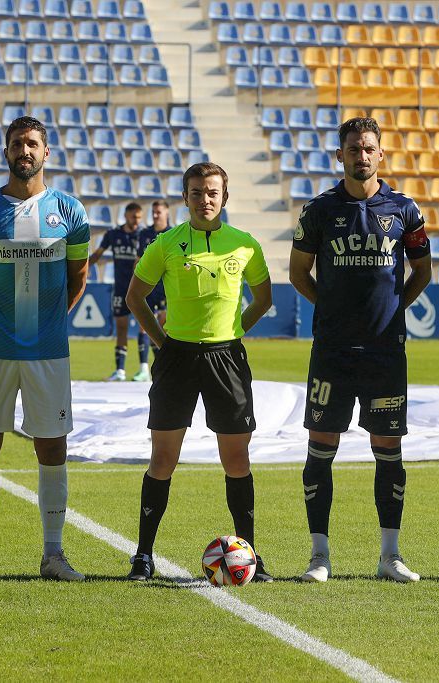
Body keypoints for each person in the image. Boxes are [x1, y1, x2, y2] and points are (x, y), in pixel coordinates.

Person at [289, 117, 432, 584]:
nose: (361, 156)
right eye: (353, 149)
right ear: (340, 156)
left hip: (384, 353)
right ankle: (319, 556)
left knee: (388, 448)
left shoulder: (406, 210)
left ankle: (389, 556)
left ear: (381, 155)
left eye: (369, 148)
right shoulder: (318, 211)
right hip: (332, 351)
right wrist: (329, 306)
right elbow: (298, 274)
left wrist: (393, 312)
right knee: (321, 447)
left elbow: (422, 272)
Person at [0, 116, 90, 583]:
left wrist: (46, 322)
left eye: (32, 143)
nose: (24, 151)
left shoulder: (71, 211)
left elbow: (78, 279)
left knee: (52, 447)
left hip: (48, 352)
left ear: (46, 152)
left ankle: (53, 555)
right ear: (6, 152)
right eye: (17, 144)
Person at [124, 162, 273, 582]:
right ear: (185, 197)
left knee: (236, 459)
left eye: (211, 192)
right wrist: (162, 342)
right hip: (177, 359)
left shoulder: (244, 245)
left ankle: (252, 554)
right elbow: (136, 297)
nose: (204, 199)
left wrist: (236, 330)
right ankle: (143, 555)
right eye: (195, 192)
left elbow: (263, 298)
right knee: (163, 458)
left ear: (224, 197)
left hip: (227, 359)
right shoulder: (166, 243)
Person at [89, 202, 144, 381]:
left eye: (139, 218)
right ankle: (120, 370)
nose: (137, 221)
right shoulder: (113, 234)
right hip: (121, 287)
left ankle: (144, 368)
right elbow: (98, 254)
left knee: (144, 327)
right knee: (121, 327)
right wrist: (84, 267)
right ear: (126, 216)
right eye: (134, 217)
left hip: (141, 287)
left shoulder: (144, 235)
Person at [134, 199, 172, 376]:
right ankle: (143, 369)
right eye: (154, 212)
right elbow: (139, 259)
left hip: (166, 288)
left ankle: (162, 365)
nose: (156, 215)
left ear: (167, 213)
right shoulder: (144, 234)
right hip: (148, 286)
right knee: (144, 325)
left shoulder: (173, 234)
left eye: (159, 212)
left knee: (163, 328)